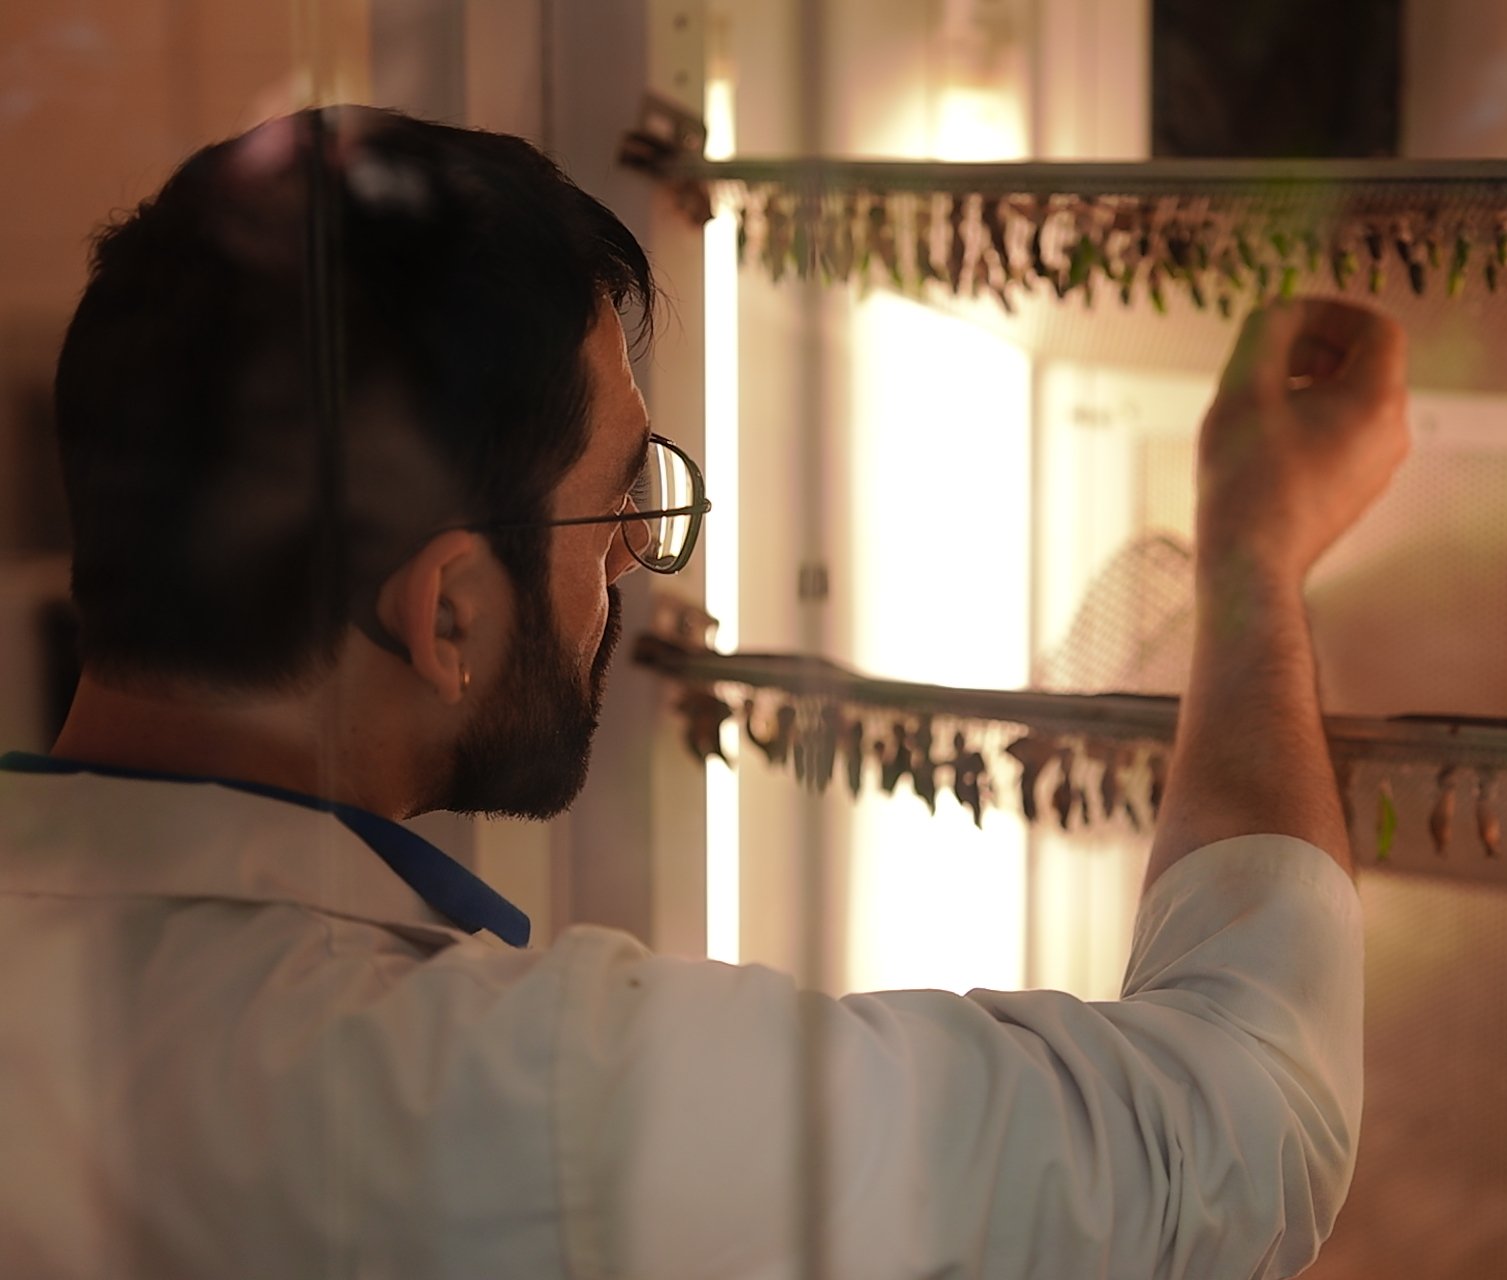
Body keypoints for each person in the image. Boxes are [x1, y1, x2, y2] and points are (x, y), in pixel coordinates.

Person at [0, 106, 1408, 1278]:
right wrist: (1252, 548)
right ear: (448, 611)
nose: (633, 555)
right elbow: (1243, 1130)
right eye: (616, 501)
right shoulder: (520, 1102)